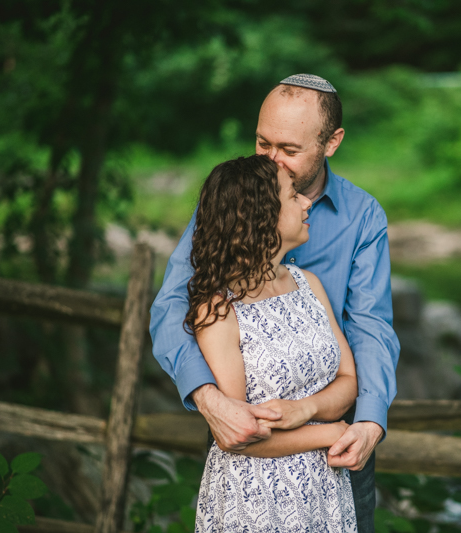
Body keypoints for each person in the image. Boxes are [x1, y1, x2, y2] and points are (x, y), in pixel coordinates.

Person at [150, 74, 399, 532]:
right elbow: (171, 306)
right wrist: (210, 401)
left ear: (332, 142)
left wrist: (367, 423)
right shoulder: (230, 204)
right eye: (263, 143)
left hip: (338, 448)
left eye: (289, 149)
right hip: (252, 452)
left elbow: (370, 328)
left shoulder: (362, 217)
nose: (271, 161)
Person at [189, 155, 357, 531]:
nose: (306, 202)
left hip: (324, 489)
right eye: (292, 195)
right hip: (258, 496)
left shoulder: (308, 284)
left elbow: (348, 379)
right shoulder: (219, 310)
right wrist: (328, 432)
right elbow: (238, 436)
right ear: (260, 214)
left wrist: (307, 407)